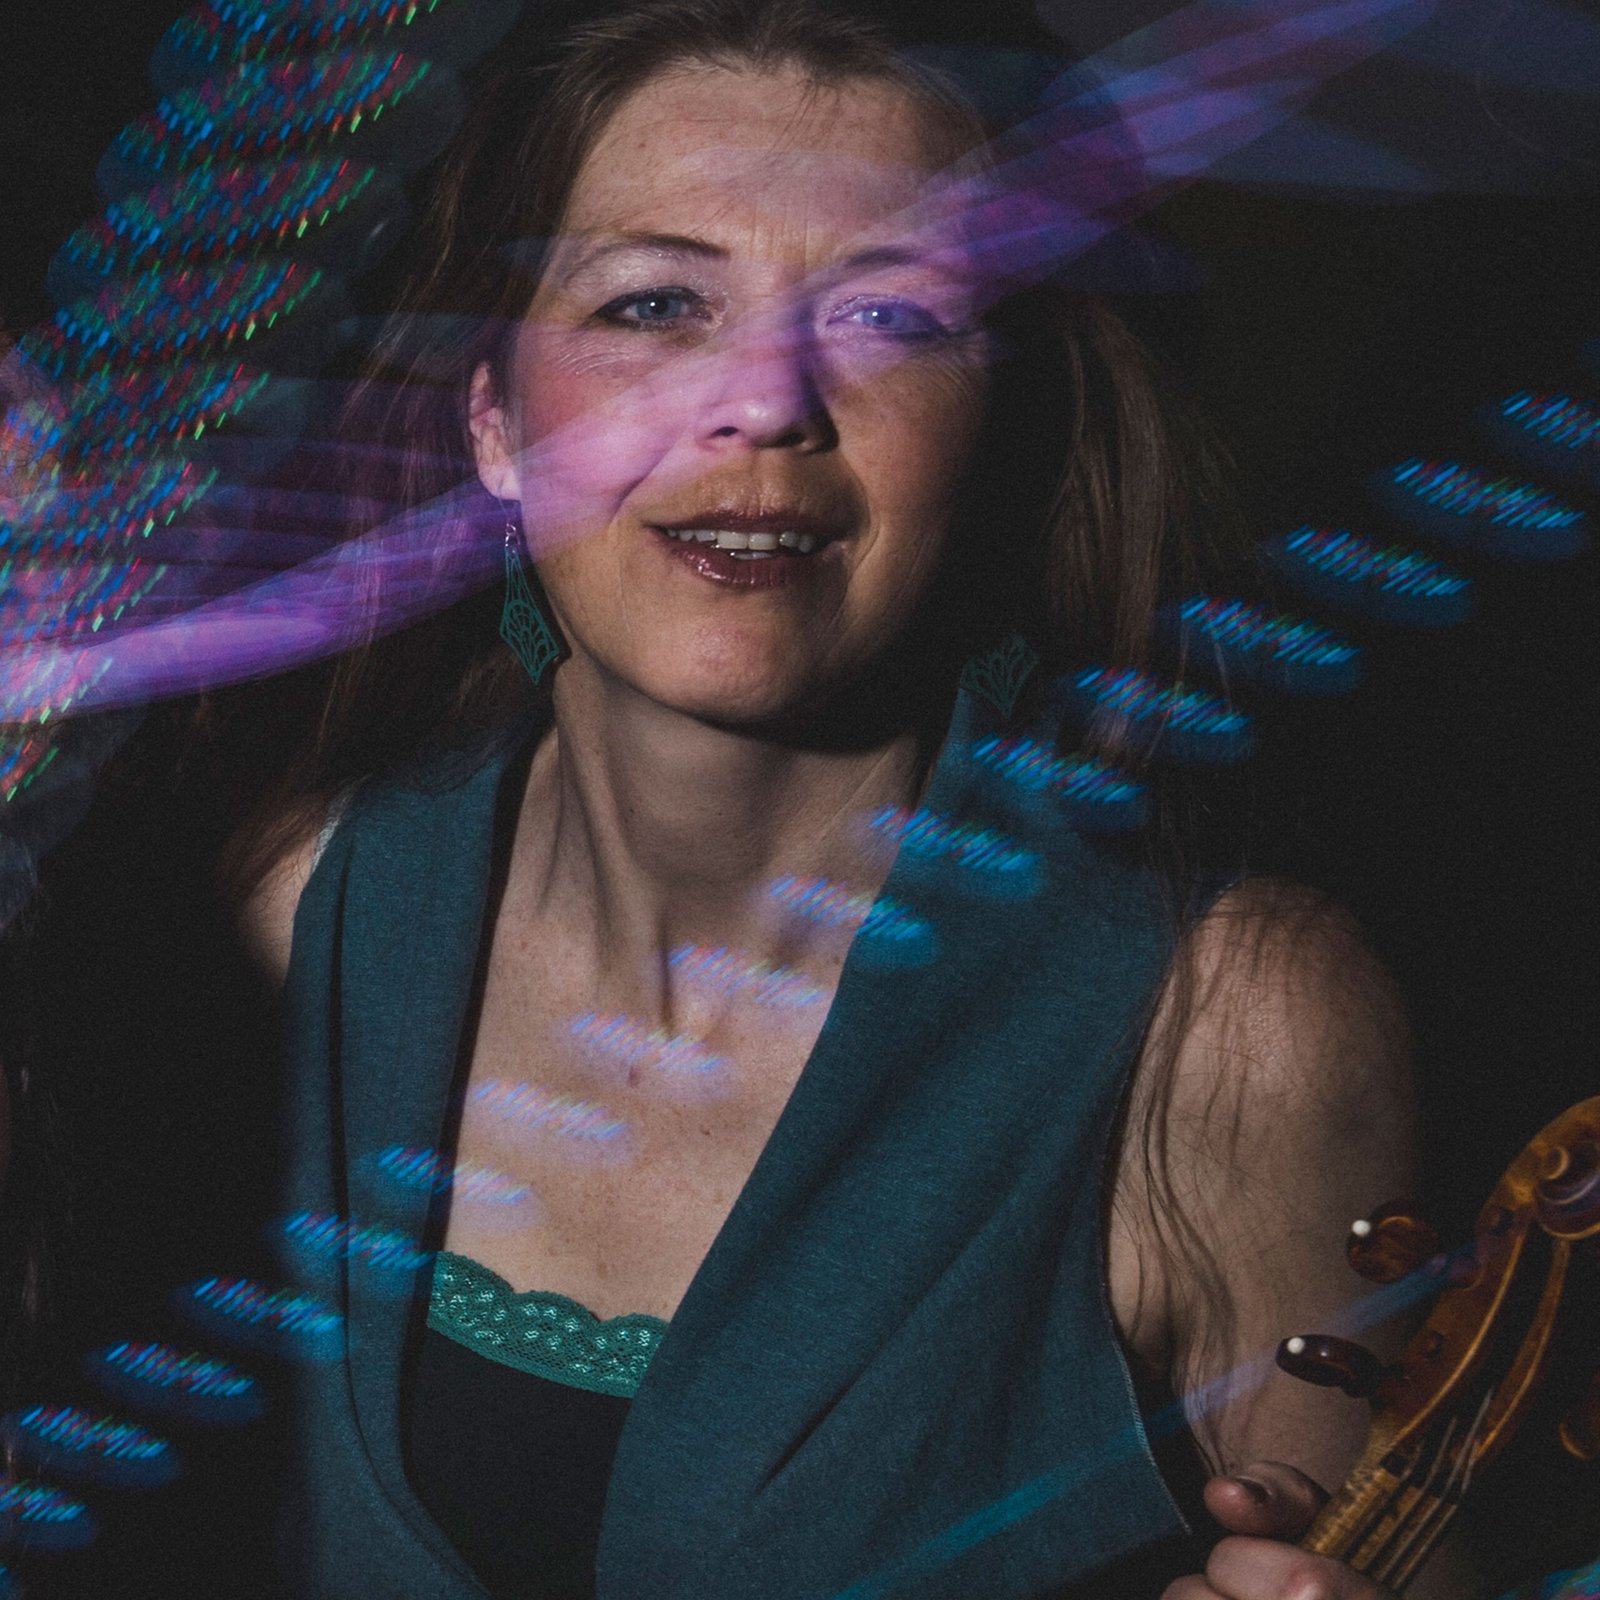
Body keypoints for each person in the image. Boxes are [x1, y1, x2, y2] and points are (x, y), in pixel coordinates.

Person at [227, 1, 1479, 1594]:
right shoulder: (297, 904)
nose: (764, 402)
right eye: (655, 301)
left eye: (892, 318)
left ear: (1006, 421)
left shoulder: (1236, 1026)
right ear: (491, 420)